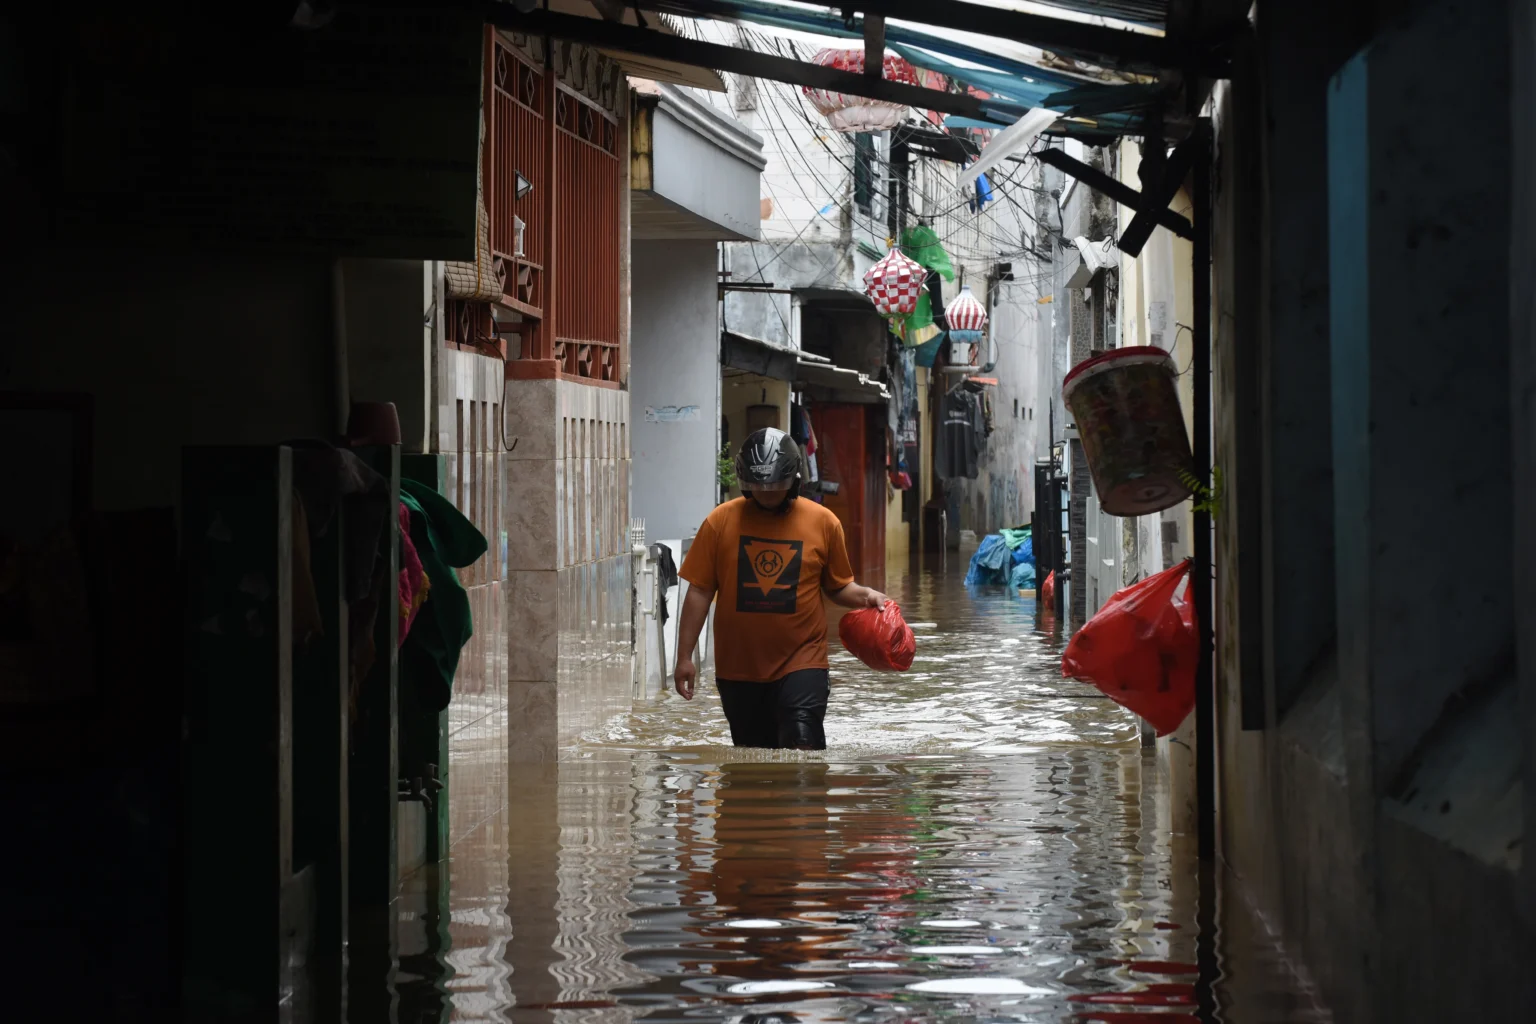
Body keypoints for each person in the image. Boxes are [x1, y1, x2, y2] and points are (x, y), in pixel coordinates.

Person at [673, 427, 888, 750]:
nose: (768, 494)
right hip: (738, 669)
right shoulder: (720, 522)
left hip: (803, 660)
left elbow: (838, 587)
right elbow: (700, 592)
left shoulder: (824, 522)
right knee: (753, 760)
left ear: (793, 481)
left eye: (776, 486)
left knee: (802, 745)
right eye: (760, 487)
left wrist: (867, 596)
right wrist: (684, 656)